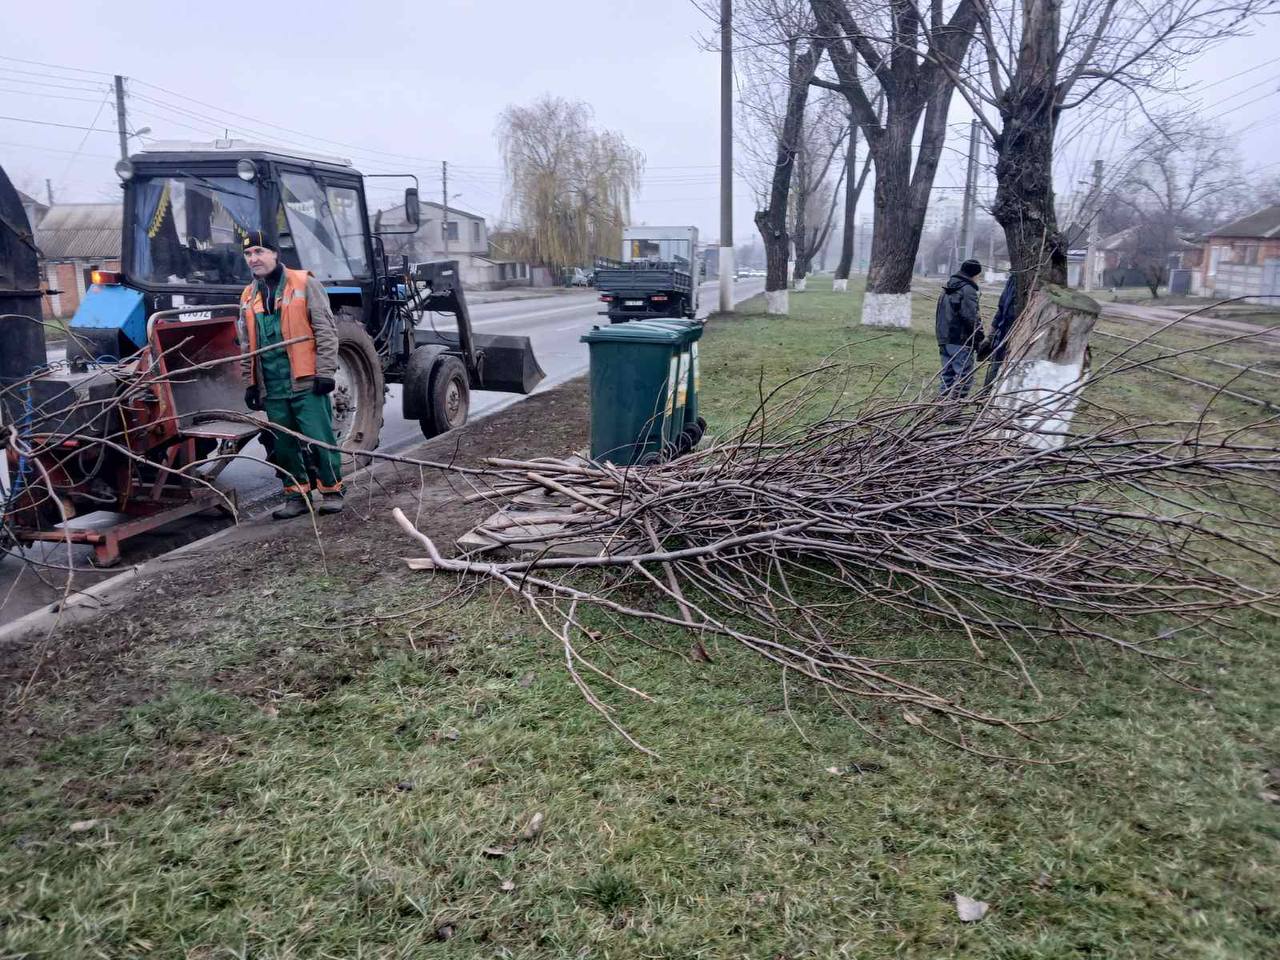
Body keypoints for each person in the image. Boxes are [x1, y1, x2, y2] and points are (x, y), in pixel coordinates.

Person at [237, 230, 344, 519]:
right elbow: (247, 343)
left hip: (305, 379)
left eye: (259, 251)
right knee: (284, 445)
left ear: (274, 253)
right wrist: (251, 383)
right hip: (272, 385)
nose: (253, 258)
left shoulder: (304, 283)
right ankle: (296, 496)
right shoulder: (248, 295)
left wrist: (325, 371)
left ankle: (332, 491)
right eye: (248, 254)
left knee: (319, 437)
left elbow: (326, 330)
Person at [934, 258, 985, 400]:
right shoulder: (967, 290)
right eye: (978, 275)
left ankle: (941, 408)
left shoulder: (949, 286)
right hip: (960, 340)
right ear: (974, 275)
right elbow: (970, 317)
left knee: (948, 376)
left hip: (944, 339)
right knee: (965, 378)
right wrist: (979, 337)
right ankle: (953, 412)